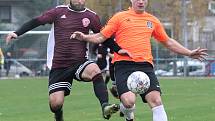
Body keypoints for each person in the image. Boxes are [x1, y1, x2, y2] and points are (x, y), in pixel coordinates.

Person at [70, 0, 208, 121]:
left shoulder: (152, 20)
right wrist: (84, 37)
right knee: (129, 102)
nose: (141, 1)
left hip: (145, 66)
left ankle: (129, 112)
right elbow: (101, 37)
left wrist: (189, 53)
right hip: (123, 65)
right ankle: (128, 116)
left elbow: (168, 42)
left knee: (156, 101)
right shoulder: (119, 17)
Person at [5, 0, 131, 120]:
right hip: (59, 65)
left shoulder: (91, 16)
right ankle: (58, 115)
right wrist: (17, 33)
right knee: (55, 104)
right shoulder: (58, 12)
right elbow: (37, 21)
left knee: (94, 70)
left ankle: (105, 106)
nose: (80, 1)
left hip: (80, 62)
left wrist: (118, 50)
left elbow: (104, 36)